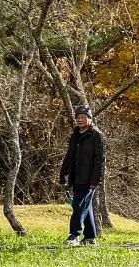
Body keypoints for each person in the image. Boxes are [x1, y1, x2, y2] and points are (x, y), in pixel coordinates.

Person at [59, 105, 106, 246]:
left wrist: (96, 179)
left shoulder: (97, 136)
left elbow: (100, 160)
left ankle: (74, 235)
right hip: (76, 177)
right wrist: (64, 172)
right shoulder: (75, 136)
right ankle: (90, 237)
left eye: (83, 117)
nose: (80, 120)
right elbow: (69, 155)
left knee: (78, 205)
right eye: (78, 117)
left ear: (90, 119)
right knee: (85, 205)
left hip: (89, 178)